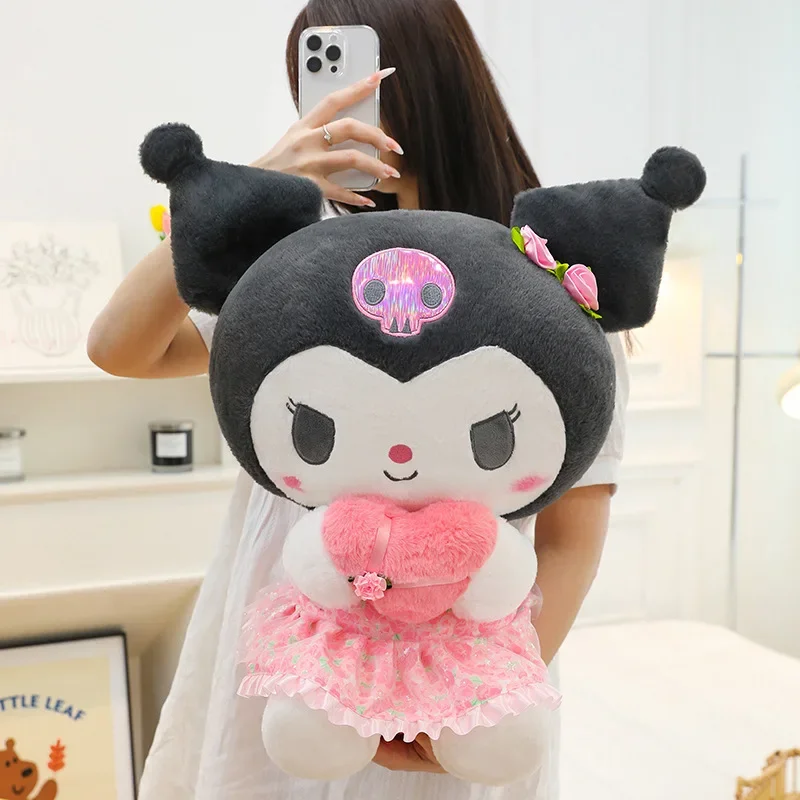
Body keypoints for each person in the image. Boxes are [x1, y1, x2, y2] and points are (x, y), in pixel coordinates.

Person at [88, 1, 628, 797]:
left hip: (462, 660)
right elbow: (120, 347)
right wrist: (246, 190)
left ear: (426, 83)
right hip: (291, 649)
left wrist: (472, 700)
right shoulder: (297, 262)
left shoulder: (545, 271)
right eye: (314, 79)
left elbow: (572, 536)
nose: (334, 106)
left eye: (356, 77)